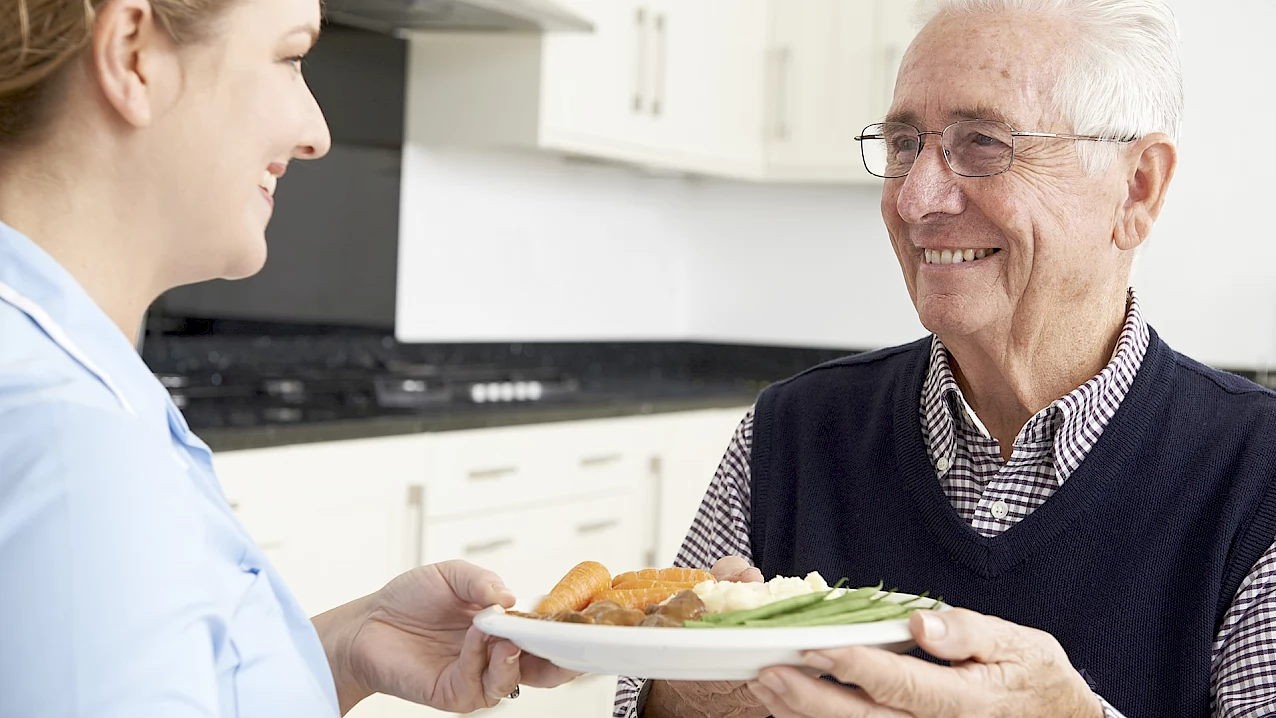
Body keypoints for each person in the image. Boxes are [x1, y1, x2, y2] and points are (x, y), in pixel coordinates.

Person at [614, 0, 1276, 717]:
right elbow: (642, 690)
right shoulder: (788, 433)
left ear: (1137, 188)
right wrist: (699, 693)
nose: (916, 199)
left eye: (985, 142)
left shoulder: (1257, 474)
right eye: (904, 145)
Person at [0, 0, 574, 715]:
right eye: (290, 57)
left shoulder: (61, 391)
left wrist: (337, 651)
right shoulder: (73, 449)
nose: (317, 133)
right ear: (133, 56)